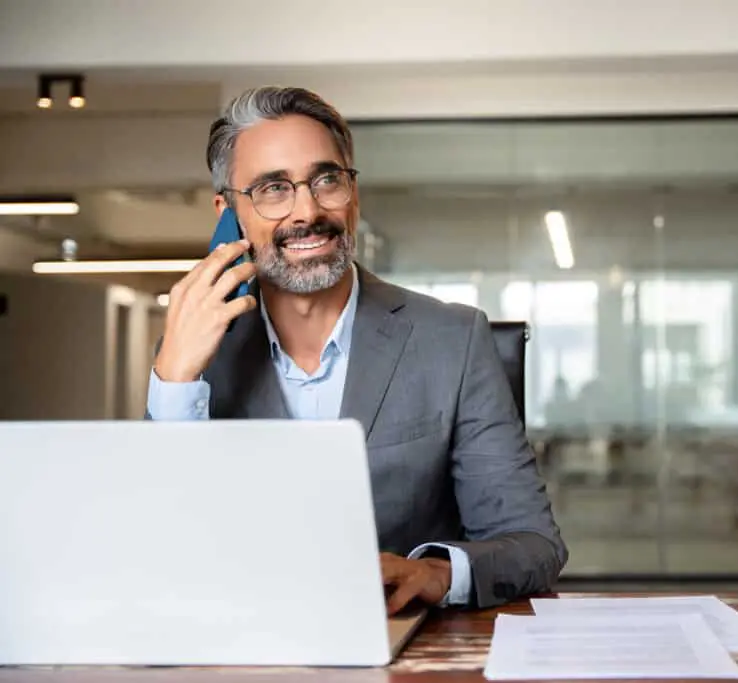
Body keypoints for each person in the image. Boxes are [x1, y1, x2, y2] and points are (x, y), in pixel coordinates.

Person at [146, 86, 567, 611]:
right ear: (227, 214)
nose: (307, 210)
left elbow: (533, 545)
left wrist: (436, 573)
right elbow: (161, 548)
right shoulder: (194, 353)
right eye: (274, 189)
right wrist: (174, 384)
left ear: (354, 194)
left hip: (405, 648)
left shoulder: (452, 340)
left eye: (327, 180)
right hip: (248, 646)